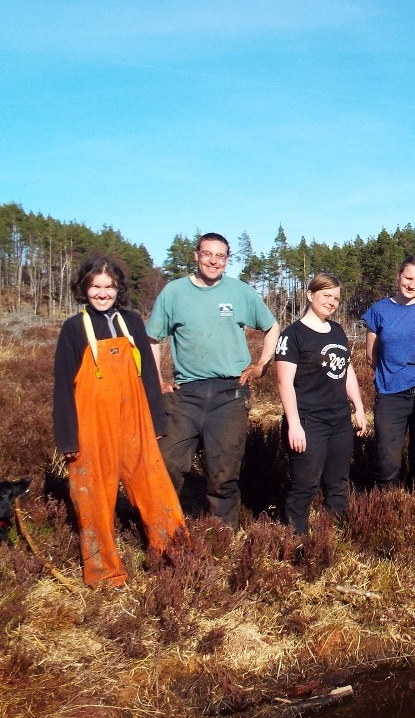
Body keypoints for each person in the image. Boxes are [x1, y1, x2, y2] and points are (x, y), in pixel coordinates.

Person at [53, 257, 185, 588]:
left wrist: (156, 421)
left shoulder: (132, 322)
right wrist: (69, 440)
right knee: (94, 499)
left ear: (118, 289)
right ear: (84, 289)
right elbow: (62, 388)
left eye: (108, 286)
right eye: (95, 286)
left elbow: (150, 379)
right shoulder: (73, 328)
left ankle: (174, 557)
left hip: (135, 421)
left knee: (156, 490)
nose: (102, 293)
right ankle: (104, 574)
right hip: (92, 427)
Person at [147, 232, 278, 530]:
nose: (213, 261)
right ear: (196, 255)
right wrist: (156, 380)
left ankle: (223, 535)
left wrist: (260, 365)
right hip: (185, 394)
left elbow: (272, 327)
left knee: (224, 471)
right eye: (208, 254)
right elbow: (152, 338)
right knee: (167, 463)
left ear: (228, 260)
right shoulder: (174, 292)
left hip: (229, 393)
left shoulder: (241, 292)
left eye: (220, 256)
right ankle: (165, 530)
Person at [276, 273, 368, 533]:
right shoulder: (292, 335)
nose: (332, 302)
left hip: (339, 420)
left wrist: (358, 407)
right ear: (310, 295)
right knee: (305, 484)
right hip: (308, 421)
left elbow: (346, 371)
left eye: (336, 298)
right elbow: (284, 383)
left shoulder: (337, 331)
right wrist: (294, 425)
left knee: (338, 482)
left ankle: (338, 531)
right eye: (326, 295)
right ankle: (297, 537)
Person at [362, 255, 415, 495]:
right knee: (387, 459)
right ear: (398, 275)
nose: (412, 285)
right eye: (408, 278)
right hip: (390, 395)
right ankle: (384, 504)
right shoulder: (379, 311)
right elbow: (371, 355)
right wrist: (391, 374)